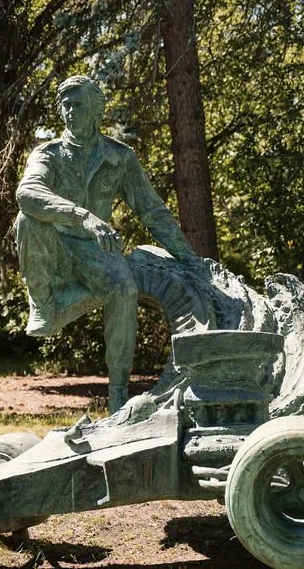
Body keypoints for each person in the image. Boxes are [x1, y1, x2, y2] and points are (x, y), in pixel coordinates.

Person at [15, 76, 202, 412]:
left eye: (78, 104)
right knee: (27, 220)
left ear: (97, 109)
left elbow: (152, 212)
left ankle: (118, 390)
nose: (70, 112)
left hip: (96, 252)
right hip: (56, 245)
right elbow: (27, 194)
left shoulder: (120, 157)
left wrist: (190, 260)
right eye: (66, 105)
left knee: (124, 290)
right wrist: (83, 216)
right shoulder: (49, 154)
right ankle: (42, 301)